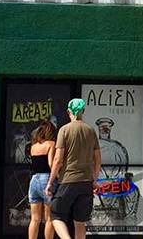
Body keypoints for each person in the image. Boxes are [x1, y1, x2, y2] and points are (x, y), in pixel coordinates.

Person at [45, 98, 100, 239]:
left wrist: (51, 182)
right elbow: (97, 159)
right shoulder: (91, 131)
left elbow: (57, 160)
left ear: (69, 112)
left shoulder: (64, 130)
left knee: (55, 214)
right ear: (83, 111)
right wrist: (95, 179)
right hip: (86, 181)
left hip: (68, 180)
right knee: (80, 222)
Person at [27, 120, 58, 239]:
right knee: (49, 218)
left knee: (34, 219)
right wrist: (58, 176)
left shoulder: (34, 146)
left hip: (34, 180)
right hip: (46, 179)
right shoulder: (51, 144)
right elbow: (51, 163)